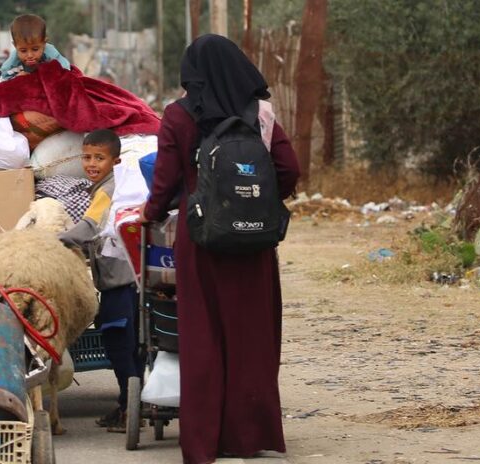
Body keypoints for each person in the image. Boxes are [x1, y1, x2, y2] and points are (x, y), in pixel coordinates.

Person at [140, 35, 300, 463]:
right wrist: (260, 199)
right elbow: (289, 169)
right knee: (252, 333)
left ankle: (205, 440)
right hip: (253, 239)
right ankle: (249, 434)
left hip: (203, 238)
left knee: (203, 337)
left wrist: (151, 214)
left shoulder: (178, 114)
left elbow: (166, 179)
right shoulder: (260, 112)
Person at [58, 129, 142, 433]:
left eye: (99, 158)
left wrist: (52, 240)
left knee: (118, 341)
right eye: (87, 157)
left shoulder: (108, 189)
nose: (91, 164)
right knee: (132, 345)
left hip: (119, 280)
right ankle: (129, 404)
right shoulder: (112, 185)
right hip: (130, 277)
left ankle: (130, 409)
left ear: (115, 161)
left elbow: (89, 227)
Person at [0, 14, 72, 82]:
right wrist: (16, 78)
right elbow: (2, 80)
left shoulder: (51, 54)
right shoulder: (12, 63)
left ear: (44, 43)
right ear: (15, 46)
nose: (30, 55)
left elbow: (67, 69)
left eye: (35, 49)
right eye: (23, 51)